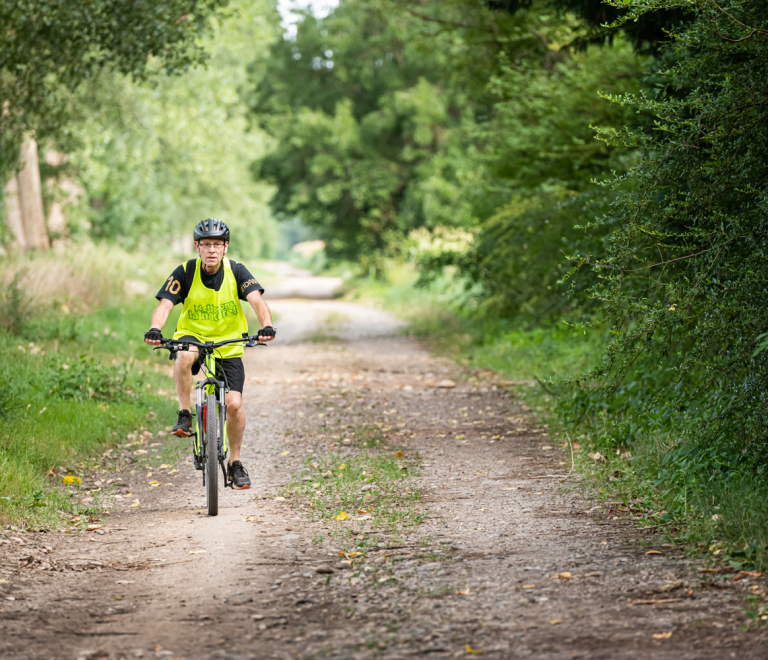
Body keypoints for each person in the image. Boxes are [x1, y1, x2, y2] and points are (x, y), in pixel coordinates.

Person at [143, 218, 275, 490]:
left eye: (217, 244)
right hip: (193, 337)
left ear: (225, 246)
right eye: (205, 245)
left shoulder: (236, 271)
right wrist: (155, 328)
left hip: (228, 344)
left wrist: (267, 326)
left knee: (235, 404)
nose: (211, 250)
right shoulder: (185, 271)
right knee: (184, 355)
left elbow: (256, 301)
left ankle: (236, 463)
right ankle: (184, 413)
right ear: (197, 247)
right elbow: (166, 305)